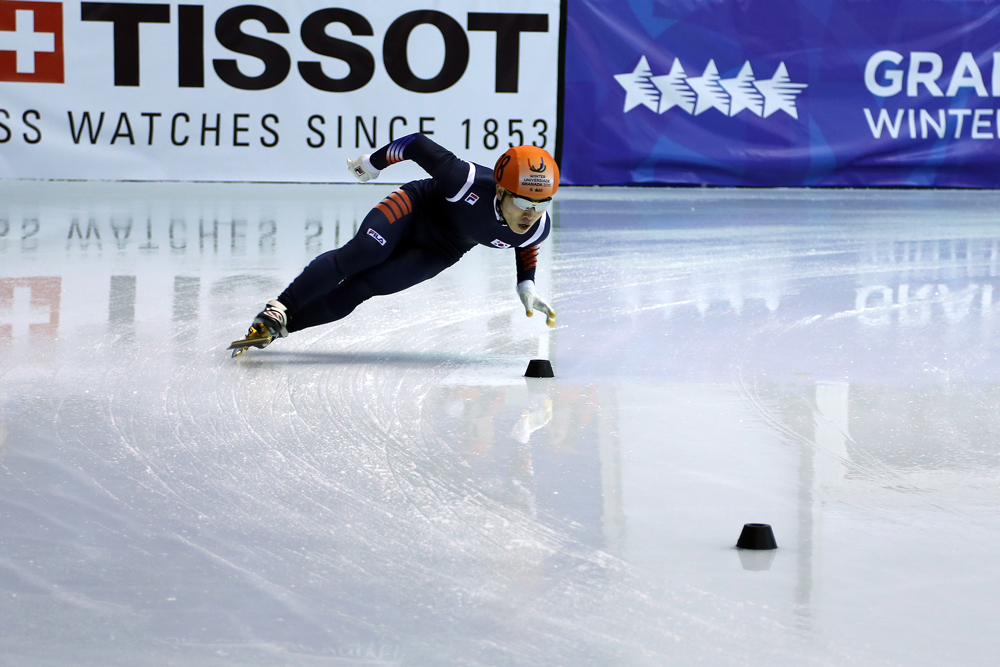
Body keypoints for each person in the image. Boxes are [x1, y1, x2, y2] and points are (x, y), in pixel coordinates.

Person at [230, 133, 559, 356]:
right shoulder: (465, 180)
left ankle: (278, 328)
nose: (531, 214)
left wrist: (525, 281)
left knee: (365, 287)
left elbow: (527, 242)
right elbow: (415, 144)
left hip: (442, 250)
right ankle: (280, 306)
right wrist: (371, 163)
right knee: (364, 253)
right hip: (416, 208)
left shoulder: (536, 226)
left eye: (541, 204)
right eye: (524, 202)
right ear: (500, 192)